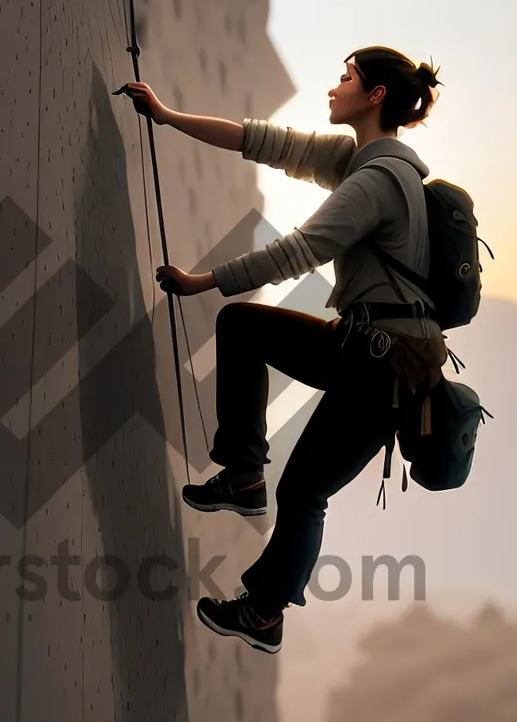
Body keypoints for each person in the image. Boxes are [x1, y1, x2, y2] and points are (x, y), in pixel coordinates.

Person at [121, 46, 449, 654]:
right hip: (365, 347)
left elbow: (299, 251)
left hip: (384, 369)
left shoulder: (378, 180)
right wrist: (167, 117)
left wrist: (201, 281)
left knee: (304, 492)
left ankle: (264, 613)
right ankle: (244, 477)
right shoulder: (361, 160)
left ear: (375, 96)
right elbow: (264, 142)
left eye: (347, 78)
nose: (335, 86)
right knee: (244, 330)